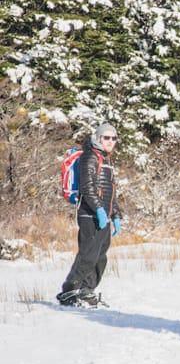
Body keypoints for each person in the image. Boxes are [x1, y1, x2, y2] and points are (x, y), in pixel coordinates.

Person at [58, 123, 122, 307]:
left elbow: (110, 192)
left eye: (113, 138)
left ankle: (87, 291)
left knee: (100, 256)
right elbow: (87, 187)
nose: (110, 141)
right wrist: (98, 210)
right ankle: (69, 291)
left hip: (104, 215)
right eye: (106, 137)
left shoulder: (106, 159)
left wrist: (115, 215)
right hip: (89, 214)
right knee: (88, 255)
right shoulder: (90, 156)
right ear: (99, 138)